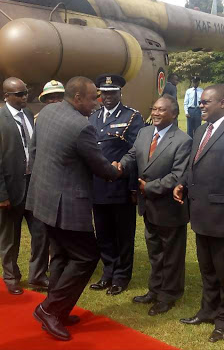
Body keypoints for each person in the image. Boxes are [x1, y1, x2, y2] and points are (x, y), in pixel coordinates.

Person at [26, 76, 121, 341]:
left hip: (43, 199)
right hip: (65, 204)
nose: (97, 103)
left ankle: (59, 309)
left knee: (61, 256)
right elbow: (100, 166)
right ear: (77, 98)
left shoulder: (47, 112)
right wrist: (115, 170)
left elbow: (34, 152)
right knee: (87, 256)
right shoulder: (81, 126)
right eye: (93, 98)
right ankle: (50, 309)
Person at [174, 84, 224, 343]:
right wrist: (183, 185)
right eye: (201, 102)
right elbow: (194, 165)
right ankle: (208, 311)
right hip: (201, 214)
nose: (201, 105)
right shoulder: (200, 130)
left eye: (207, 102)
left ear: (223, 103)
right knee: (208, 269)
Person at [121, 95, 192, 316]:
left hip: (169, 207)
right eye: (154, 108)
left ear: (174, 114)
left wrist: (148, 188)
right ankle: (154, 290)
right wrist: (119, 166)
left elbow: (178, 176)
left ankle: (168, 295)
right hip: (148, 207)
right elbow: (133, 155)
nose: (156, 113)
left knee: (171, 254)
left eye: (162, 110)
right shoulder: (144, 132)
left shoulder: (182, 140)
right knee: (155, 252)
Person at [0, 77, 49, 295]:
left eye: (25, 93)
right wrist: (0, 195)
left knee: (40, 233)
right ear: (6, 96)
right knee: (10, 237)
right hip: (9, 189)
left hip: (32, 186)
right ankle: (11, 277)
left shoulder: (29, 114)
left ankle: (38, 276)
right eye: (19, 94)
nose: (24, 97)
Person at [88, 74, 143, 296]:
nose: (108, 97)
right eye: (104, 93)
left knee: (123, 235)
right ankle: (108, 273)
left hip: (120, 188)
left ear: (120, 93)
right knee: (103, 233)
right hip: (97, 187)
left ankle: (121, 276)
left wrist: (132, 188)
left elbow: (136, 152)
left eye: (112, 93)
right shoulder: (93, 117)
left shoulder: (132, 117)